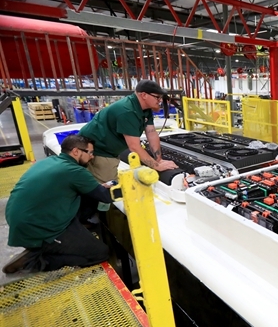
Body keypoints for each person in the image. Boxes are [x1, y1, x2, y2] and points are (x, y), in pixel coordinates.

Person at [3, 135, 112, 274]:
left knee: (87, 196)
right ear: (76, 151)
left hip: (22, 217)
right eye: (89, 152)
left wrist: (97, 189)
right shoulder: (74, 171)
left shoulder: (49, 161)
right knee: (100, 253)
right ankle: (36, 259)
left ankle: (76, 227)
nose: (92, 157)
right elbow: (106, 197)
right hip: (37, 228)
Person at [78, 79, 178, 183]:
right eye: (157, 97)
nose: (160, 100)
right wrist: (156, 166)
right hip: (97, 151)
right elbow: (134, 146)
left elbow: (151, 133)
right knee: (105, 186)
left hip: (106, 149)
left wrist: (159, 160)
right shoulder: (127, 111)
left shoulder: (145, 108)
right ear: (144, 95)